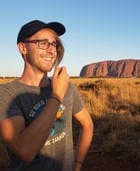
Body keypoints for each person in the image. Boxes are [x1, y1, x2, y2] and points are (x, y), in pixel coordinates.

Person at [0, 20, 94, 171]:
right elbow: (25, 151)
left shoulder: (67, 87)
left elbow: (87, 124)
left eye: (54, 44)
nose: (51, 50)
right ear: (23, 48)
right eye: (43, 43)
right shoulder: (6, 94)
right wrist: (56, 95)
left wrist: (77, 165)